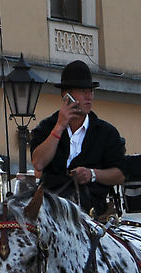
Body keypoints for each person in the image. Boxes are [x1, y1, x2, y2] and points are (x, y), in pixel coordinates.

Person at [30, 59, 126, 220]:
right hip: (51, 211)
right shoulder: (46, 127)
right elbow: (38, 163)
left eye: (91, 91)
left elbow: (121, 173)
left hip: (92, 214)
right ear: (66, 95)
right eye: (83, 91)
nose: (89, 96)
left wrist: (92, 174)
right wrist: (59, 127)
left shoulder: (106, 132)